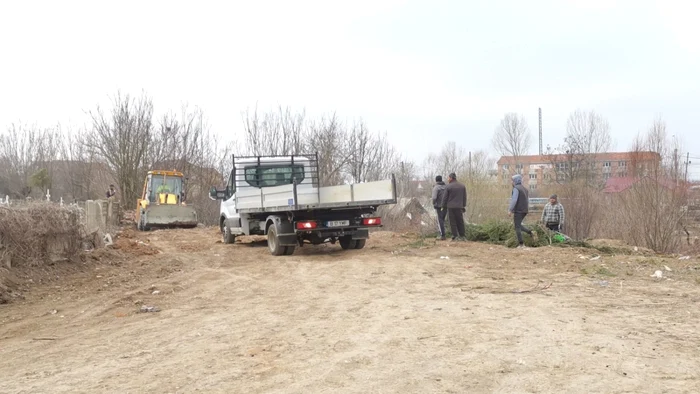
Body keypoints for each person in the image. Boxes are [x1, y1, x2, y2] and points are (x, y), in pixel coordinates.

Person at [508, 174, 538, 248]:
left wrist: (510, 210)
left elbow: (514, 200)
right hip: (524, 210)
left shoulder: (516, 188)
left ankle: (521, 244)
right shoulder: (525, 189)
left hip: (518, 210)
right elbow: (528, 201)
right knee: (518, 225)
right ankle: (530, 232)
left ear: (515, 181)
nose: (511, 182)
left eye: (512, 180)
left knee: (517, 227)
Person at [441, 172, 467, 241]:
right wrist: (463, 205)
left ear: (451, 178)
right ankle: (462, 235)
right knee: (460, 221)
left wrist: (443, 206)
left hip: (451, 207)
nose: (448, 179)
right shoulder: (462, 186)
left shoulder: (448, 186)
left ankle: (455, 236)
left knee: (452, 222)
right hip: (459, 206)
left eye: (448, 178)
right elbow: (464, 197)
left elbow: (445, 198)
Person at [432, 175, 447, 240]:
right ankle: (443, 233)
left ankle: (442, 235)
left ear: (436, 180)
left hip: (438, 206)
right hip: (445, 205)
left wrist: (433, 203)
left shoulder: (436, 187)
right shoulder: (446, 187)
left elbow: (434, 197)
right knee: (443, 219)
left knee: (440, 220)